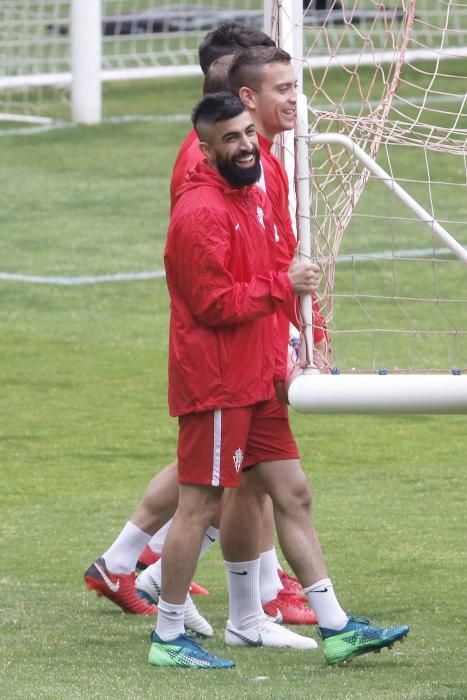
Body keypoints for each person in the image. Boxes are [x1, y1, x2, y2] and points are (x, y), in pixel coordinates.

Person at [85, 27, 316, 630]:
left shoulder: (251, 157)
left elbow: (271, 250)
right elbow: (214, 294)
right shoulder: (214, 173)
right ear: (241, 90)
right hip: (223, 356)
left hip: (250, 343)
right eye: (281, 87)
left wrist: (289, 320)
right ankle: (193, 604)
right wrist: (281, 299)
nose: (294, 99)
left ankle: (235, 591)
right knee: (211, 486)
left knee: (242, 479)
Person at [148, 92, 322, 669]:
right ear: (205, 147)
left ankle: (332, 622)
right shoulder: (201, 210)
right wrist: (283, 285)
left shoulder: (244, 191)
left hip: (250, 372)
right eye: (232, 138)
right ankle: (169, 634)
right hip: (217, 379)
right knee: (199, 504)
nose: (247, 144)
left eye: (248, 133)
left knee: (289, 491)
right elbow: (213, 303)